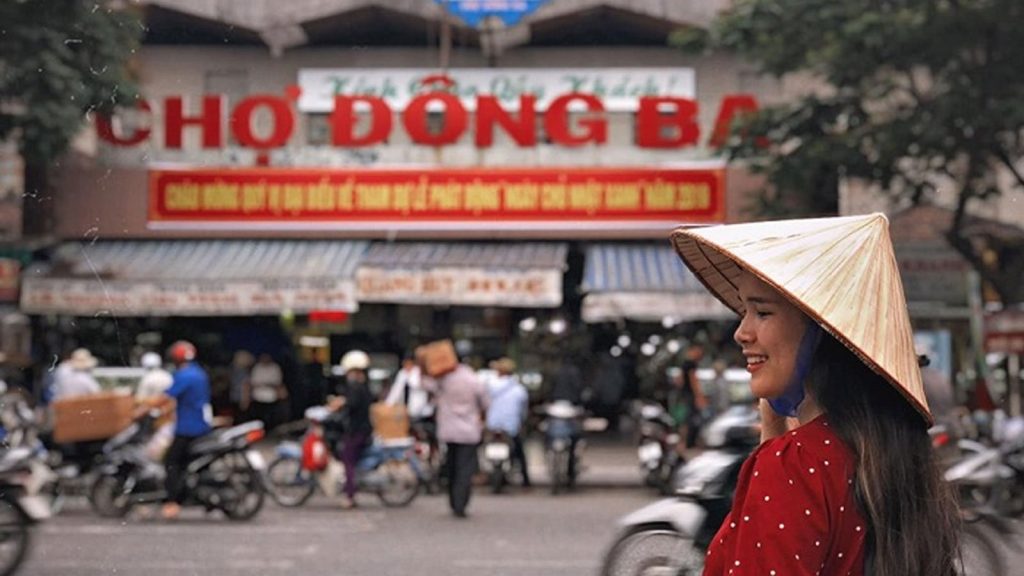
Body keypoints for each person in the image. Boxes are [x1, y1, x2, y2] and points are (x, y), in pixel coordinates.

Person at [671, 214, 959, 576]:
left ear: (822, 335)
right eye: (745, 311)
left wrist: (775, 448)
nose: (742, 333)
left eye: (762, 311)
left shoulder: (794, 463)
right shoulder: (892, 452)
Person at [421, 358, 489, 518]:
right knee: (465, 469)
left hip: (449, 430)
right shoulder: (474, 380)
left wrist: (423, 367)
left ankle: (453, 501)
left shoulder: (444, 379)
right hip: (469, 432)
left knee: (451, 465)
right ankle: (461, 504)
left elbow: (425, 384)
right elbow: (486, 403)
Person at [160, 340, 212, 520]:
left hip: (187, 427)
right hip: (202, 426)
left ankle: (172, 502)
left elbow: (167, 397)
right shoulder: (199, 373)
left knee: (171, 462)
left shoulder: (183, 376)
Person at [334, 350, 373, 509]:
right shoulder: (364, 386)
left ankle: (350, 495)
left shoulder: (355, 387)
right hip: (362, 428)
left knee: (347, 460)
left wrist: (341, 405)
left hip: (356, 429)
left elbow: (352, 405)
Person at [485, 357, 530, 488]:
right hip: (511, 427)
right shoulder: (519, 389)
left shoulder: (489, 386)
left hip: (492, 425)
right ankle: (525, 479)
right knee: (519, 451)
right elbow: (523, 410)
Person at [135, 352, 175, 460]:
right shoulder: (167, 376)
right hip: (167, 415)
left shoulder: (147, 379)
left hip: (151, 416)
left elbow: (140, 400)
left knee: (148, 440)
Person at [248, 353, 287, 431]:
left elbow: (277, 382)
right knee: (259, 415)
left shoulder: (275, 368)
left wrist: (266, 384)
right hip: (258, 397)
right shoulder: (257, 368)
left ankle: (270, 430)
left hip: (271, 397)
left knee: (271, 416)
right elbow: (253, 382)